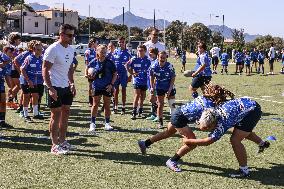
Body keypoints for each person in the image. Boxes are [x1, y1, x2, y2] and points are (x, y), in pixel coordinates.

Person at [138, 84, 234, 157]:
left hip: (178, 113)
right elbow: (202, 124)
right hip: (180, 119)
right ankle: (173, 160)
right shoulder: (209, 106)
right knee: (192, 142)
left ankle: (144, 143)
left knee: (167, 133)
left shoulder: (203, 97)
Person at [183, 98, 270, 177]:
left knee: (235, 139)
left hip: (252, 111)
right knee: (241, 131)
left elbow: (207, 141)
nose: (206, 130)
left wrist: (188, 141)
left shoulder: (223, 122)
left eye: (207, 128)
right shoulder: (211, 111)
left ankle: (244, 171)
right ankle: (262, 143)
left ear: (214, 124)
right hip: (247, 105)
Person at [42, 24, 77, 155]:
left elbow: (69, 70)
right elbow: (45, 69)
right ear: (61, 35)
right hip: (54, 85)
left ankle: (62, 141)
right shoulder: (53, 49)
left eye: (73, 35)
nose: (72, 38)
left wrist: (72, 83)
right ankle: (54, 145)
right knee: (55, 114)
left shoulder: (71, 49)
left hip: (66, 86)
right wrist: (50, 88)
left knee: (66, 112)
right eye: (69, 35)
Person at [87, 44, 117, 132]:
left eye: (105, 52)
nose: (103, 54)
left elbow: (115, 74)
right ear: (97, 52)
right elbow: (88, 69)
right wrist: (89, 75)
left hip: (107, 87)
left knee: (107, 105)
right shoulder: (93, 61)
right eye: (101, 52)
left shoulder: (110, 62)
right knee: (95, 104)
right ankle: (92, 123)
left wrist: (111, 84)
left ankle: (107, 123)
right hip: (96, 86)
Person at [149, 51, 176, 128]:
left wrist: (170, 89)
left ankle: (174, 122)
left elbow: (173, 78)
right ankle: (160, 122)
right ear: (158, 57)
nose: (162, 59)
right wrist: (152, 87)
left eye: (164, 58)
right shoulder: (154, 66)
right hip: (159, 86)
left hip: (169, 86)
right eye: (161, 57)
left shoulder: (170, 66)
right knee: (160, 105)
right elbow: (151, 76)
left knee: (172, 104)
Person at [20, 41, 44, 122]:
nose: (40, 51)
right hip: (26, 81)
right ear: (33, 49)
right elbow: (22, 69)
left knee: (36, 96)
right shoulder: (29, 58)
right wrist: (28, 80)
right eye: (38, 49)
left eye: (41, 49)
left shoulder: (42, 58)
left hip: (37, 82)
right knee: (26, 97)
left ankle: (36, 113)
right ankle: (25, 115)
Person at [127, 45, 151, 120]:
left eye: (141, 50)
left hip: (145, 81)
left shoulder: (148, 60)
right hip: (137, 80)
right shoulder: (134, 59)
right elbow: (127, 65)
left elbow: (151, 70)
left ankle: (140, 111)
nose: (139, 52)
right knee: (137, 95)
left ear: (145, 51)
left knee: (143, 96)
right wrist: (132, 73)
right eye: (138, 50)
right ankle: (133, 112)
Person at [13, 40, 36, 114]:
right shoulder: (26, 53)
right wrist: (20, 70)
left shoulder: (36, 54)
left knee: (27, 92)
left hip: (32, 76)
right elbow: (15, 60)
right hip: (25, 75)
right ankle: (21, 107)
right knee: (25, 91)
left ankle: (26, 107)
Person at [112, 37, 132, 114]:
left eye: (122, 42)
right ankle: (115, 107)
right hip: (116, 74)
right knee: (115, 91)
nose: (121, 43)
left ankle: (123, 107)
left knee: (123, 90)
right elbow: (113, 63)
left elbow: (131, 65)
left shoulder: (128, 53)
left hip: (124, 74)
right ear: (118, 42)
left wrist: (130, 75)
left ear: (125, 43)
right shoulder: (116, 51)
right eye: (120, 42)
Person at [0, 46, 13, 128]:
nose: (11, 55)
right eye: (9, 52)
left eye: (12, 53)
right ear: (4, 52)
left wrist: (10, 87)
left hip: (1, 83)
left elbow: (7, 75)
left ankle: (2, 121)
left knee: (3, 102)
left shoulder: (9, 63)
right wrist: (5, 62)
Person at [8, 33, 22, 104]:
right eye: (19, 40)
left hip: (8, 69)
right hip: (14, 69)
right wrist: (19, 71)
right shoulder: (14, 48)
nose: (20, 41)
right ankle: (10, 99)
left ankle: (10, 103)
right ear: (15, 40)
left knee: (12, 86)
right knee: (19, 86)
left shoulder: (8, 47)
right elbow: (15, 60)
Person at [146, 47, 158, 121]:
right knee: (152, 100)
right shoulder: (152, 61)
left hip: (154, 84)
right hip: (150, 84)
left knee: (153, 99)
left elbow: (155, 75)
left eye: (151, 52)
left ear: (155, 53)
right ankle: (153, 114)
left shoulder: (157, 62)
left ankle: (157, 114)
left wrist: (153, 86)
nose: (149, 54)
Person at [84, 38, 97, 106]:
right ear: (93, 43)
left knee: (96, 86)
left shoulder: (96, 51)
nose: (96, 44)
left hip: (96, 71)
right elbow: (86, 63)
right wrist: (86, 72)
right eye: (96, 43)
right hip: (90, 71)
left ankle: (95, 100)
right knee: (90, 86)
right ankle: (90, 101)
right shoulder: (87, 52)